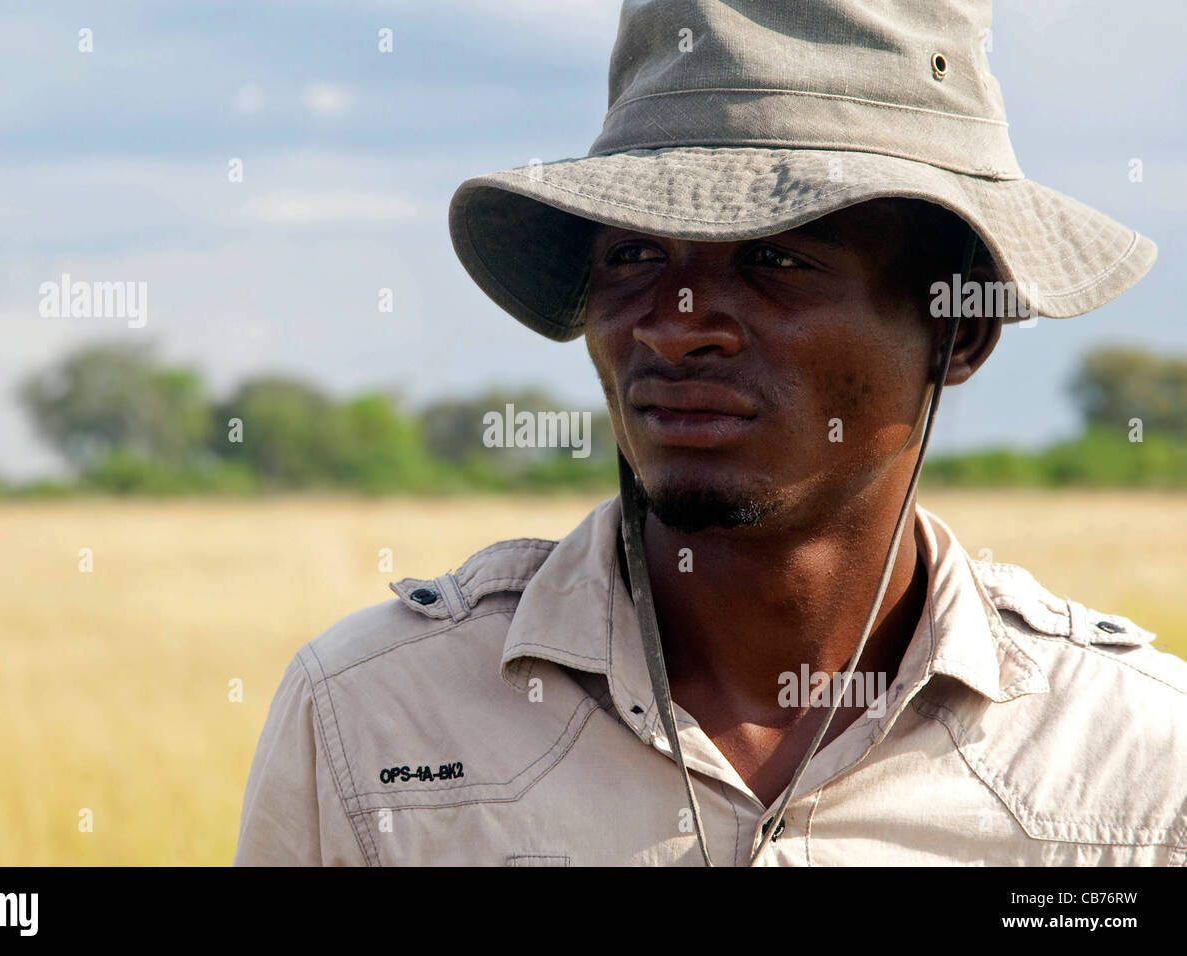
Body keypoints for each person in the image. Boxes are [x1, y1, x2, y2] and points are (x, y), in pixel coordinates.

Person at [234, 0, 1187, 866]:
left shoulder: (1132, 762)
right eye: (634, 254)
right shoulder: (377, 717)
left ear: (959, 330)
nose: (674, 322)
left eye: (778, 259)